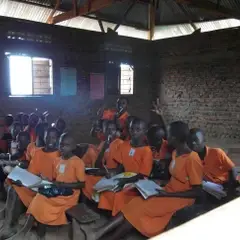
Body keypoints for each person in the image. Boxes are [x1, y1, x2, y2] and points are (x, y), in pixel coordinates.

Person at [80, 121, 203, 240]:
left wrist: (169, 194)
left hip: (180, 198)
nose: (166, 136)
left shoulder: (192, 159)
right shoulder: (176, 153)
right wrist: (161, 183)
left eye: (169, 134)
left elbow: (197, 191)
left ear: (175, 138)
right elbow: (178, 178)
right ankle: (98, 232)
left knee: (139, 209)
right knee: (134, 203)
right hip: (167, 191)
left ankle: (104, 235)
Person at [16, 133, 85, 238]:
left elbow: (82, 184)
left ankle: (27, 232)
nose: (62, 147)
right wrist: (47, 180)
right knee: (40, 197)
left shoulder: (78, 162)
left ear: (73, 147)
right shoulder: (57, 160)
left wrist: (62, 184)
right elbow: (56, 179)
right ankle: (34, 233)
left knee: (41, 201)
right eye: (61, 144)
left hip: (69, 195)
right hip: (58, 191)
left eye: (66, 145)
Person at [0, 127, 60, 239]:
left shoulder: (60, 155)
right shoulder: (37, 152)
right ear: (44, 137)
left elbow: (59, 180)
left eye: (53, 138)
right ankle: (8, 225)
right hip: (33, 184)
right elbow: (31, 172)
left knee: (37, 195)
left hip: (47, 187)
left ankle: (16, 225)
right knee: (13, 188)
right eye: (48, 137)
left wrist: (46, 181)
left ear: (57, 139)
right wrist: (22, 180)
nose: (50, 140)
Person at [97, 118, 153, 216]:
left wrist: (125, 181)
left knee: (118, 193)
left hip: (138, 181)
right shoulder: (125, 145)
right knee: (105, 187)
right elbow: (121, 166)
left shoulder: (146, 151)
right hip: (125, 176)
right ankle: (109, 214)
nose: (134, 132)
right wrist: (113, 173)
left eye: (138, 129)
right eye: (132, 129)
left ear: (144, 131)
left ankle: (117, 217)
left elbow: (142, 175)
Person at [83, 120, 124, 200]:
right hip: (104, 172)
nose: (110, 132)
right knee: (85, 177)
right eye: (108, 129)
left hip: (113, 174)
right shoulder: (104, 143)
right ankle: (90, 201)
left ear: (116, 131)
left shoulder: (119, 143)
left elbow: (122, 166)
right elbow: (98, 163)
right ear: (104, 131)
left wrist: (110, 172)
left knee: (89, 180)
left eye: (112, 129)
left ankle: (94, 201)